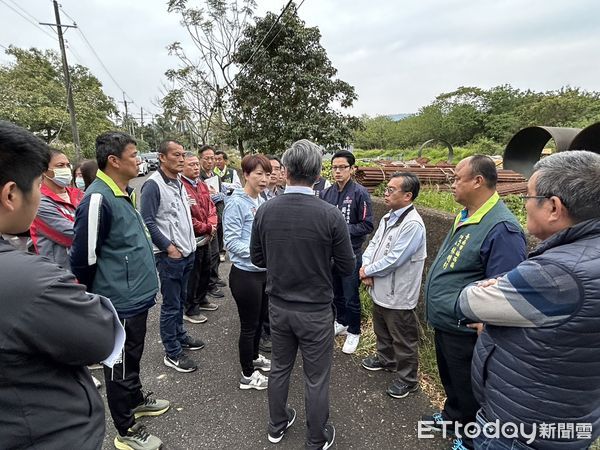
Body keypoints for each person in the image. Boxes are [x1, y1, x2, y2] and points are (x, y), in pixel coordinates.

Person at [456, 151, 600, 450]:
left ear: (553, 207)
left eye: (529, 197)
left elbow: (470, 300)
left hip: (520, 429)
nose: (524, 204)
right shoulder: (584, 256)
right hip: (568, 417)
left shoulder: (557, 273)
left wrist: (496, 287)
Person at [0, 120, 121, 449]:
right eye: (39, 182)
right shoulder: (30, 281)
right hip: (44, 431)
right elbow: (101, 336)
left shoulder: (78, 195)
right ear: (11, 194)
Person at [251, 139, 355, 450]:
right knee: (316, 376)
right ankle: (315, 438)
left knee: (280, 367)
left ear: (286, 171)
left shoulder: (266, 209)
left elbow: (258, 258)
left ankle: (276, 425)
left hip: (279, 306)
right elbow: (348, 265)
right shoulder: (330, 214)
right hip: (315, 310)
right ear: (317, 172)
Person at [71, 131, 168, 450]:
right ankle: (126, 428)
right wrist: (95, 299)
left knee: (133, 355)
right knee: (120, 364)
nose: (139, 160)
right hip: (119, 301)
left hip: (135, 297)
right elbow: (83, 258)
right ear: (113, 161)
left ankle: (136, 398)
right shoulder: (97, 198)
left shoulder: (122, 192)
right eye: (133, 155)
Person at [423, 155, 527, 450]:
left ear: (478, 181)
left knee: (469, 387)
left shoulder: (502, 228)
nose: (451, 183)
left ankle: (468, 439)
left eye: (457, 178)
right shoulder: (467, 215)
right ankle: (452, 417)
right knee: (451, 379)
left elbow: (505, 287)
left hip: (467, 330)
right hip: (447, 322)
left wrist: (486, 322)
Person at [359, 172, 427, 399]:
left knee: (403, 338)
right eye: (386, 189)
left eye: (391, 190)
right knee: (382, 330)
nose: (385, 193)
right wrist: (365, 266)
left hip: (399, 292)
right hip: (380, 285)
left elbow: (396, 259)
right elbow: (374, 244)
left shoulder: (413, 224)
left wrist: (368, 271)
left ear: (407, 196)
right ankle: (386, 360)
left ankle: (408, 380)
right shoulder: (390, 217)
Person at [141, 140, 204, 373]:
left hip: (187, 252)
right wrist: (169, 248)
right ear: (162, 157)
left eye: (183, 154)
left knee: (180, 299)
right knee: (171, 304)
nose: (181, 158)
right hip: (171, 256)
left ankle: (180, 335)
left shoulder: (177, 182)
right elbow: (147, 221)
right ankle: (172, 352)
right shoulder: (153, 185)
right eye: (176, 155)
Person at [224, 154, 272, 390]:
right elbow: (231, 243)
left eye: (267, 174)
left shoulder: (261, 200)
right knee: (248, 326)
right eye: (258, 174)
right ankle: (247, 375)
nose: (264, 179)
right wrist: (260, 252)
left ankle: (253, 358)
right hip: (245, 275)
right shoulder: (236, 203)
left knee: (259, 320)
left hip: (262, 272)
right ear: (246, 175)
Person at [320, 149, 373, 354]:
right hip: (330, 253)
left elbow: (367, 225)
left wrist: (341, 229)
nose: (338, 171)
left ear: (352, 169)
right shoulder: (327, 193)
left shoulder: (360, 193)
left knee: (351, 294)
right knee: (335, 292)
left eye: (342, 167)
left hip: (351, 251)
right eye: (334, 167)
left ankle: (354, 331)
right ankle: (340, 321)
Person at [29, 149, 83, 270]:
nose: (66, 169)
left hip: (85, 270)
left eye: (68, 165)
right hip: (61, 274)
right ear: (44, 171)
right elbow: (75, 234)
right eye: (60, 165)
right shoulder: (40, 203)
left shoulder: (79, 195)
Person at [181, 152, 219, 325]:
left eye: (197, 164)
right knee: (193, 275)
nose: (196, 167)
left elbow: (211, 207)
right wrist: (206, 227)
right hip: (193, 238)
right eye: (191, 165)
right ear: (182, 166)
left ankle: (202, 299)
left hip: (207, 236)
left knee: (206, 268)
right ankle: (190, 308)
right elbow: (187, 217)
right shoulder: (180, 187)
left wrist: (211, 225)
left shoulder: (201, 185)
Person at [199, 144, 228, 293]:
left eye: (212, 158)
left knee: (217, 250)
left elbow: (222, 193)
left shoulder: (216, 176)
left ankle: (215, 277)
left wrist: (221, 196)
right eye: (207, 158)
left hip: (218, 215)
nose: (210, 161)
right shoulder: (198, 177)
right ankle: (210, 284)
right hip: (206, 220)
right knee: (210, 252)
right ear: (200, 159)